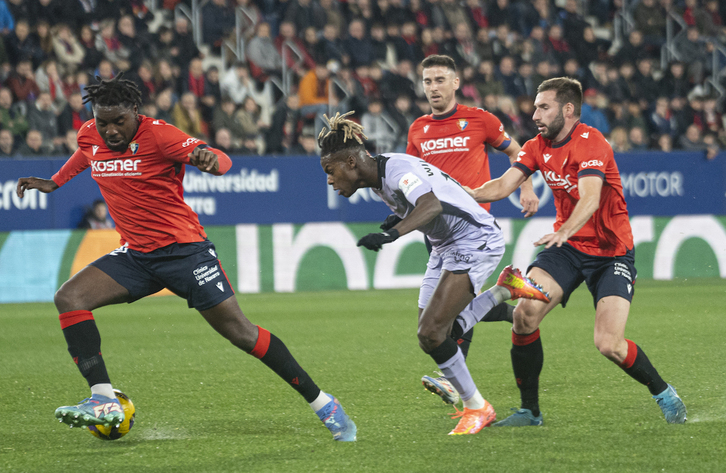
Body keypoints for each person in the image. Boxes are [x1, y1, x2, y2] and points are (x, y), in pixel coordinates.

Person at [15, 74, 356, 442]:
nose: (111, 131)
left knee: (241, 332)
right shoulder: (89, 135)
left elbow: (220, 160)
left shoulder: (160, 135)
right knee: (69, 297)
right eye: (103, 122)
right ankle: (103, 400)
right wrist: (54, 182)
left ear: (135, 111)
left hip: (186, 253)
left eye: (119, 122)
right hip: (137, 255)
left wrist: (212, 161)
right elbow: (86, 153)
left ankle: (325, 404)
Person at [465, 77, 687, 426]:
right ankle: (530, 411)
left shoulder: (591, 142)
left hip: (610, 253)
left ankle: (662, 391)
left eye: (543, 106)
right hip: (566, 249)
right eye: (536, 106)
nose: (534, 113)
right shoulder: (536, 145)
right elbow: (504, 184)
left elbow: (591, 197)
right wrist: (466, 193)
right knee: (524, 316)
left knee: (609, 343)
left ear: (567, 110)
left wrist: (565, 229)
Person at [319, 111, 550, 435]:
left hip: (474, 239)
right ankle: (504, 289)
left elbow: (431, 205)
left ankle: (477, 407)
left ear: (351, 163)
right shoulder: (380, 179)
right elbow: (428, 200)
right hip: (445, 246)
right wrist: (397, 219)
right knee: (433, 331)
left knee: (433, 332)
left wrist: (392, 233)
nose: (330, 180)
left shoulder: (397, 170)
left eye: (331, 171)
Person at [405, 54, 539, 404]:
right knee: (444, 309)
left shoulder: (480, 120)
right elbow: (410, 178)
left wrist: (525, 187)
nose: (433, 87)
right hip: (436, 231)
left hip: (472, 231)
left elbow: (518, 152)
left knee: (446, 313)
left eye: (439, 80)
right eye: (427, 81)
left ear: (455, 83)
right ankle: (512, 303)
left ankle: (457, 379)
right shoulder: (418, 129)